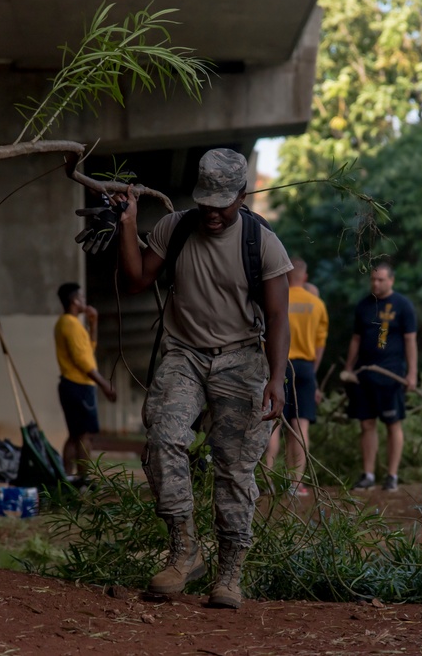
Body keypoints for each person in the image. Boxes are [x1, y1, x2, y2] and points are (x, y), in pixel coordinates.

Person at [118, 148, 292, 609]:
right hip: (184, 356)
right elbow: (136, 280)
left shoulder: (263, 243)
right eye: (206, 202)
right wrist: (129, 225)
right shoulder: (174, 228)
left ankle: (229, 574)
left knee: (234, 468)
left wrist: (276, 379)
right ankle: (183, 551)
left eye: (223, 203)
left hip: (241, 358)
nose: (213, 213)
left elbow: (277, 316)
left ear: (242, 195)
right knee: (163, 438)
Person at [342, 263, 418, 492]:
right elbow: (356, 339)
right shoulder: (364, 305)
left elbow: (410, 340)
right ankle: (368, 474)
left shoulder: (403, 306)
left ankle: (392, 476)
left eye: (381, 280)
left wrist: (412, 373)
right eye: (373, 280)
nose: (376, 284)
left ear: (391, 280)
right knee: (366, 424)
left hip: (391, 375)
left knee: (392, 423)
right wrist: (349, 368)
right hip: (364, 374)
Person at [264, 257, 328, 498]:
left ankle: (267, 480)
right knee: (300, 428)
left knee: (273, 423)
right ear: (305, 277)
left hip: (279, 366)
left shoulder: (277, 299)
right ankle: (295, 485)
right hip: (305, 367)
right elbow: (320, 344)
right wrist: (312, 371)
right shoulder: (317, 304)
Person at [54, 283, 117, 477]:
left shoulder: (69, 323)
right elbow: (82, 360)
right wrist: (104, 384)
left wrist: (93, 323)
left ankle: (68, 478)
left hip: (74, 385)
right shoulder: (70, 324)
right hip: (78, 385)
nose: (84, 301)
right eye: (82, 297)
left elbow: (89, 350)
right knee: (83, 437)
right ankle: (83, 480)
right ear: (75, 301)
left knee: (75, 435)